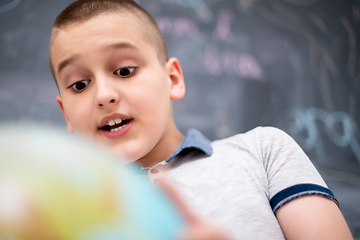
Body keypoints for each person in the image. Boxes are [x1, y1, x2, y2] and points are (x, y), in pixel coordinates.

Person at [49, 0, 354, 239]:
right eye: (79, 84)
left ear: (173, 79)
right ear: (66, 114)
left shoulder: (262, 152)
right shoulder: (51, 216)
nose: (103, 95)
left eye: (125, 71)